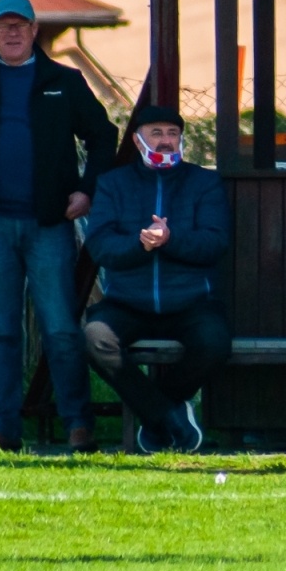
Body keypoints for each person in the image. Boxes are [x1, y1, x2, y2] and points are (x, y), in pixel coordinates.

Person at [0, 0, 116, 454]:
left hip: (49, 223)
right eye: (2, 25)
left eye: (21, 25)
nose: (12, 33)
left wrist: (87, 190)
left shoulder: (63, 81)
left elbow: (103, 134)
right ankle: (2, 428)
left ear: (35, 30)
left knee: (61, 327)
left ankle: (78, 424)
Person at [82, 106, 230, 452]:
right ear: (137, 140)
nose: (165, 141)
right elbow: (101, 245)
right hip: (128, 303)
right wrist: (140, 243)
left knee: (214, 341)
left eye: (172, 134)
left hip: (191, 302)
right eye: (156, 133)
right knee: (94, 338)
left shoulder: (204, 182)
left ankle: (159, 415)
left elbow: (215, 242)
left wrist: (170, 238)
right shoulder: (113, 184)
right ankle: (172, 418)